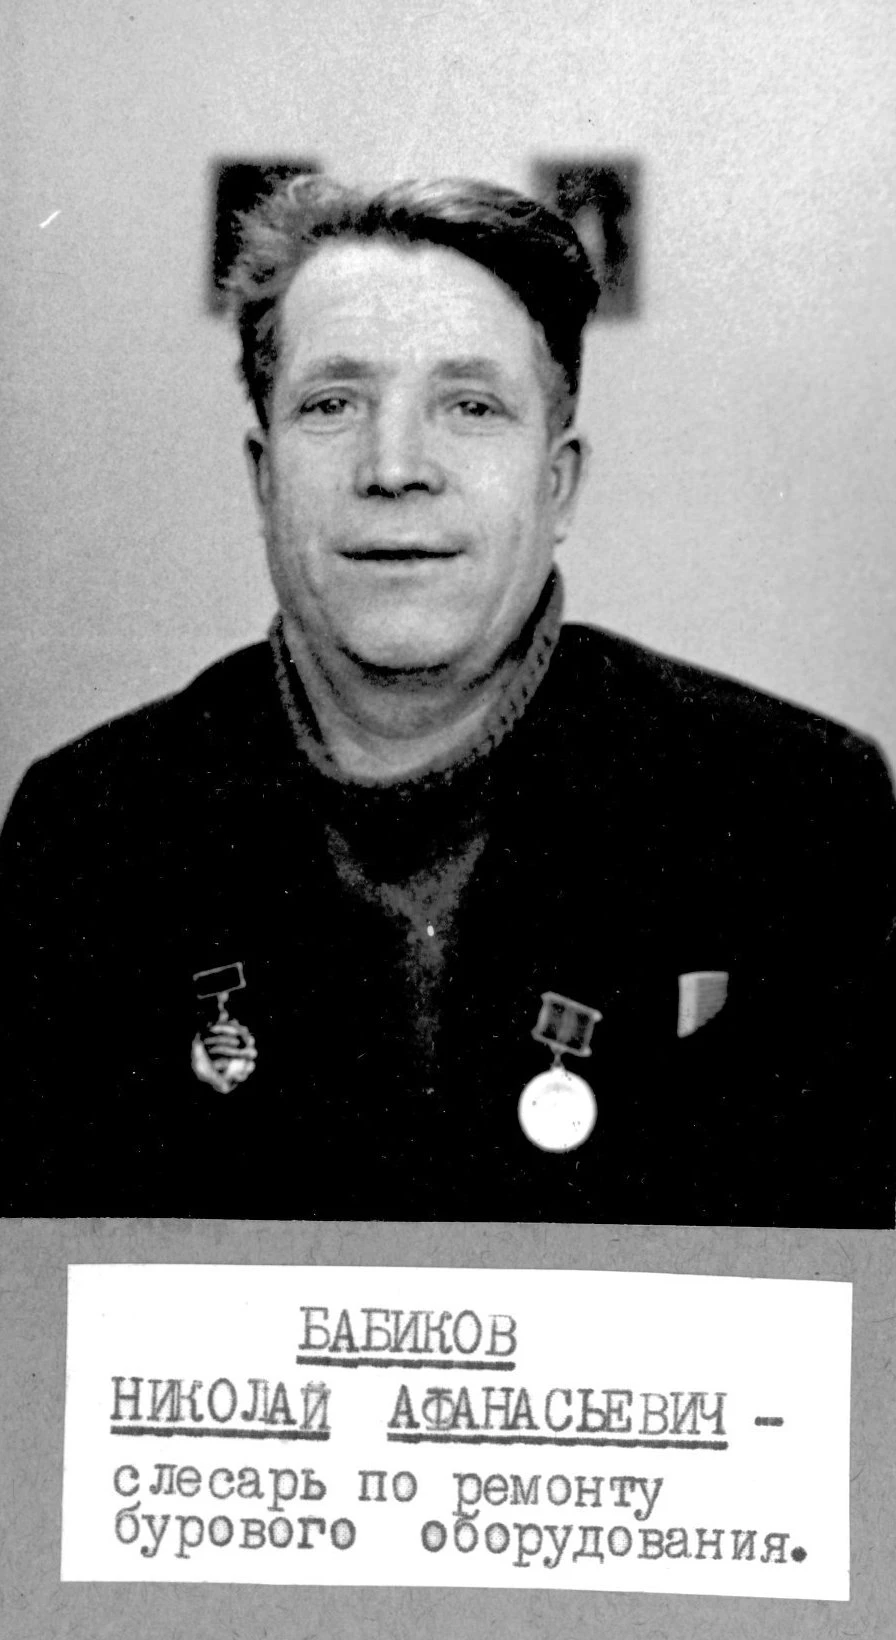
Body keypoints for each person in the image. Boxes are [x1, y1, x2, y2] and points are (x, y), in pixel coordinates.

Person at [2, 174, 894, 1224]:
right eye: (332, 404)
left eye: (469, 406)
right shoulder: (91, 828)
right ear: (263, 480)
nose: (394, 468)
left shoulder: (794, 809)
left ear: (556, 485)